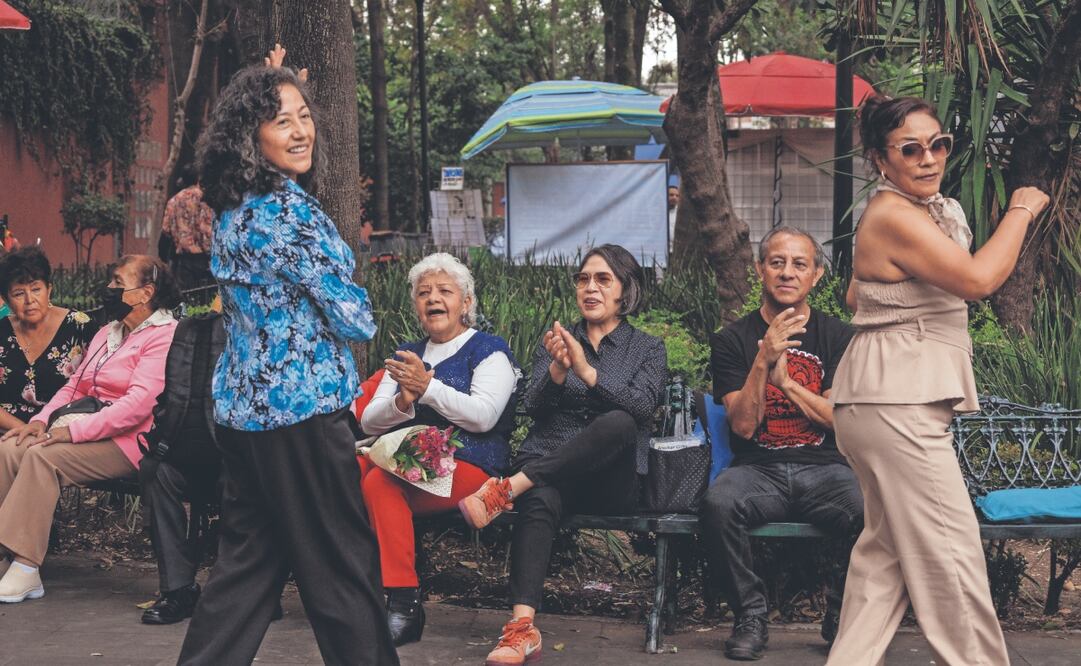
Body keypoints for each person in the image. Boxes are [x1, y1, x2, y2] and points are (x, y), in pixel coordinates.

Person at [177, 63, 398, 665]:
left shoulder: (229, 211)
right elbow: (356, 318)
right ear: (253, 136)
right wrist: (349, 294)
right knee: (342, 568)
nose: (301, 131)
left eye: (305, 117)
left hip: (246, 419)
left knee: (244, 572)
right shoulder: (289, 215)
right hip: (301, 417)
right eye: (282, 122)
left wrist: (276, 77)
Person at [826, 95, 1050, 665]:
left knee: (887, 561)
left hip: (878, 398)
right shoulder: (895, 214)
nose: (929, 159)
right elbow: (977, 280)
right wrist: (1020, 209)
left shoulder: (901, 214)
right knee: (951, 554)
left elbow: (856, 292)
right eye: (910, 149)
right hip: (897, 402)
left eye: (938, 144)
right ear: (881, 160)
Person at [459, 244, 668, 666]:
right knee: (540, 496)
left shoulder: (647, 348)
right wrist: (556, 371)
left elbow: (643, 409)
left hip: (610, 482)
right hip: (552, 473)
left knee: (620, 422)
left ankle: (512, 486)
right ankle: (521, 630)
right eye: (583, 279)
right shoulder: (556, 340)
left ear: (624, 291)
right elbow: (531, 408)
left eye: (602, 280)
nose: (590, 288)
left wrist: (586, 372)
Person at [703, 226, 860, 661]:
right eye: (776, 262)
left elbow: (838, 420)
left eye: (799, 264)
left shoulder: (839, 338)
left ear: (817, 275)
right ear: (759, 270)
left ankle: (843, 615)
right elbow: (744, 429)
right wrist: (761, 359)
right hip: (758, 472)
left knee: (871, 509)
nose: (787, 273)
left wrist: (787, 384)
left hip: (825, 469)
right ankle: (751, 616)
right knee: (718, 504)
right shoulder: (732, 340)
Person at [358, 251, 520, 646]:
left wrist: (428, 388)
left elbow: (483, 416)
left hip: (471, 463)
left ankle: (403, 604)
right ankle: (351, 594)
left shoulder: (488, 350)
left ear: (466, 303)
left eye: (445, 290)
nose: (433, 298)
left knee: (380, 485)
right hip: (406, 461)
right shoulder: (406, 355)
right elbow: (368, 421)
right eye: (423, 292)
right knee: (345, 474)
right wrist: (403, 400)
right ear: (415, 304)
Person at [0, 254, 180, 603]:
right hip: (87, 428)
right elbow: (75, 389)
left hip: (130, 441)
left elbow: (138, 406)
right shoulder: (108, 332)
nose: (109, 288)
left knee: (42, 458)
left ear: (145, 293)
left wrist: (70, 433)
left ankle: (25, 567)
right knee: (11, 446)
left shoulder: (162, 335)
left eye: (117, 282)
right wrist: (40, 422)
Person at [0, 247, 94, 431]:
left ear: (49, 290)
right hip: (7, 431)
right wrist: (24, 430)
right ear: (6, 300)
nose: (29, 300)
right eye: (19, 293)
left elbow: (95, 387)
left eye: (36, 289)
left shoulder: (79, 326)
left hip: (61, 431)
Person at [160, 176, 215, 291]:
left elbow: (165, 229)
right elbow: (209, 229)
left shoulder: (174, 200)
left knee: (187, 297)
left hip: (183, 258)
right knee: (208, 298)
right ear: (197, 180)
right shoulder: (205, 198)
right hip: (204, 258)